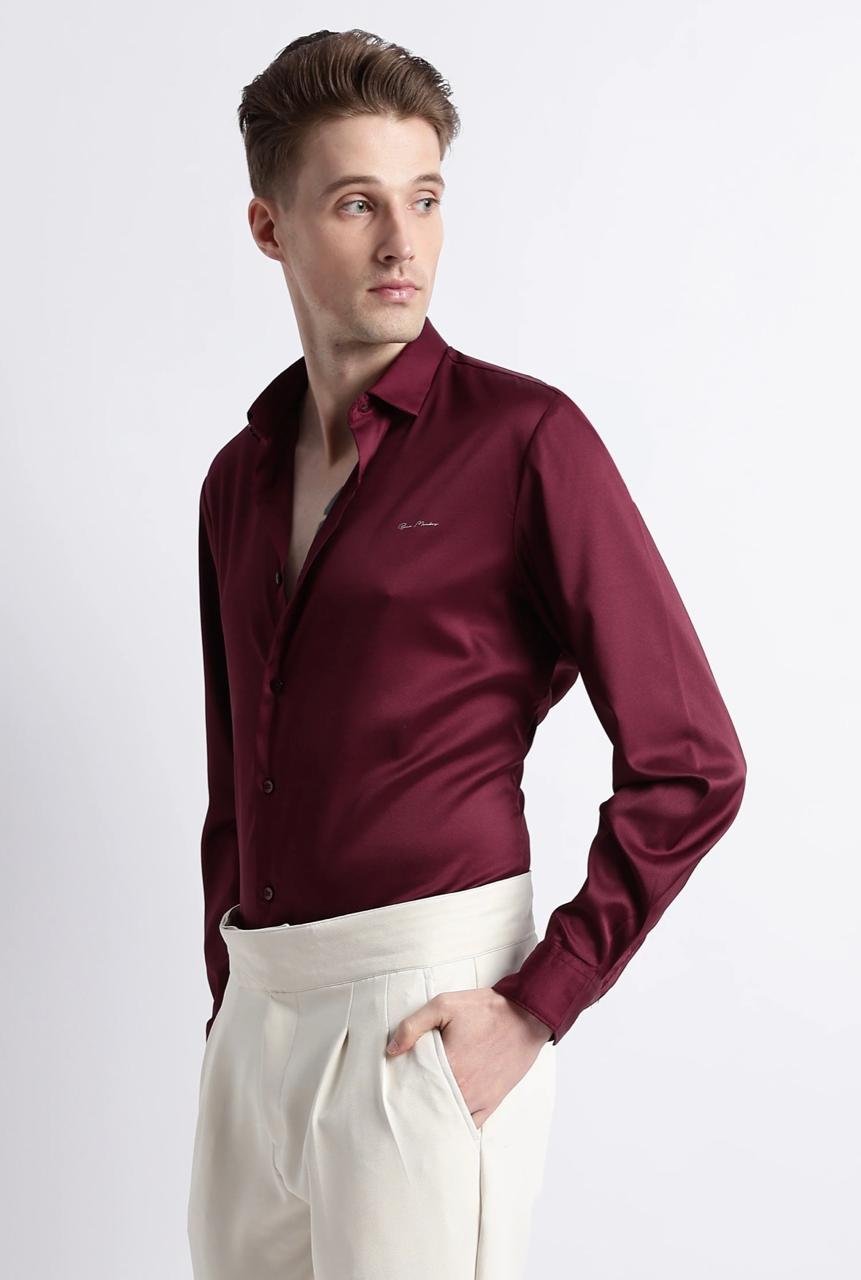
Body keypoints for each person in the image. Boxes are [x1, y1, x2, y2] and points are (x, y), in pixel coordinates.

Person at [186, 27, 747, 1280]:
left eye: (427, 198)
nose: (404, 242)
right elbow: (234, 777)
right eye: (357, 203)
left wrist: (540, 1002)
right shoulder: (238, 478)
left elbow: (694, 760)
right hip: (255, 1016)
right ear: (271, 227)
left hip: (422, 1009)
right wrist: (226, 1004)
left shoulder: (527, 442)